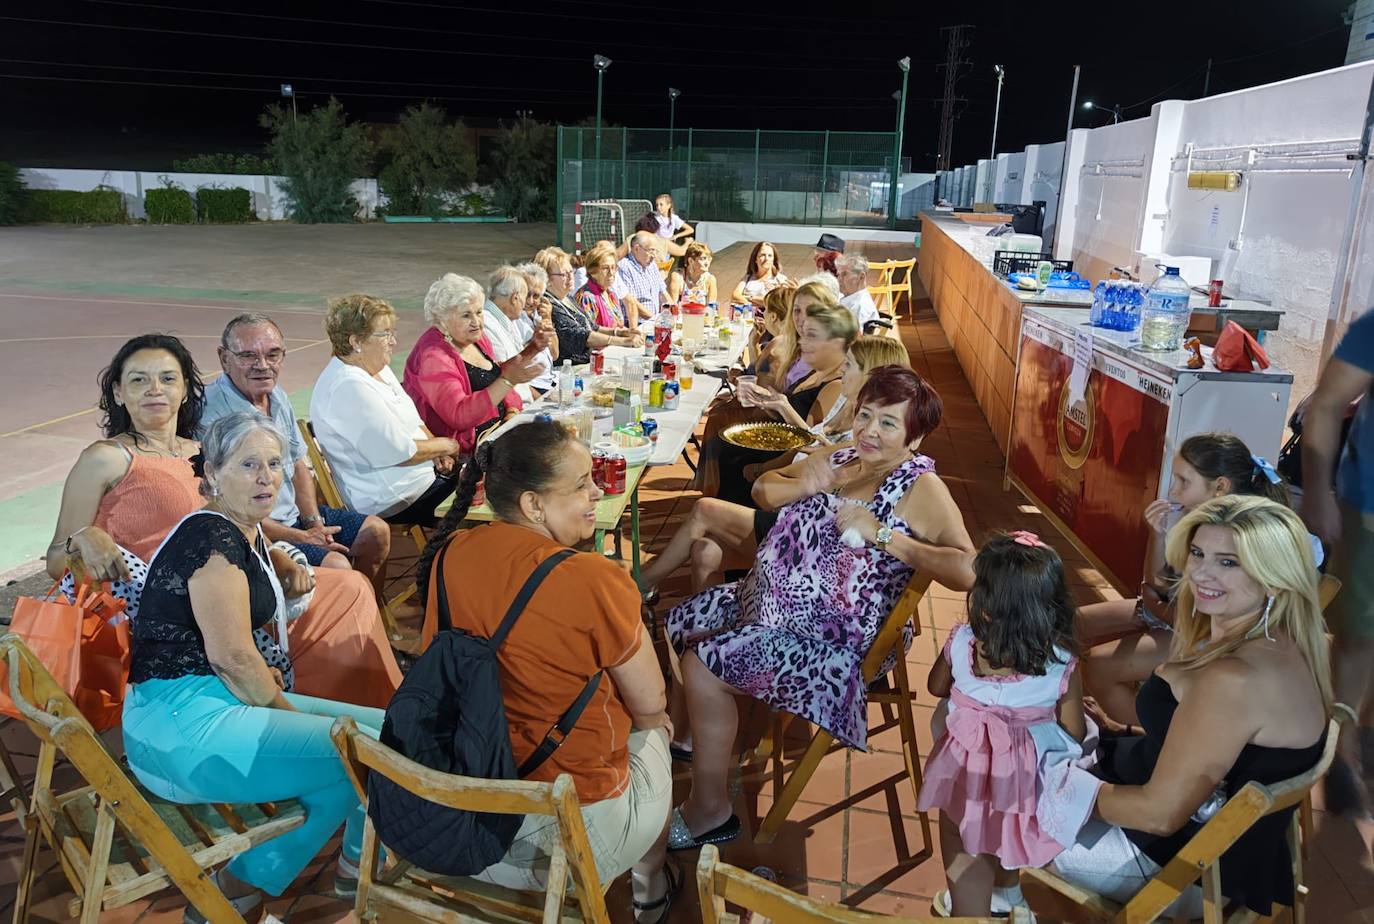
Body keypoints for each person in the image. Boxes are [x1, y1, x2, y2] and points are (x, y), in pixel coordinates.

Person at [664, 367, 975, 849]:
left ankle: (711, 810)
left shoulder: (921, 488)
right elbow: (762, 489)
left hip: (836, 643)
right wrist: (802, 483)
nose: (870, 429)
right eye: (865, 414)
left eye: (888, 423)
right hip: (772, 604)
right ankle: (693, 739)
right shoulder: (846, 457)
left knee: (701, 667)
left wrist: (886, 535)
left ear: (915, 436)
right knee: (685, 619)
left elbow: (969, 569)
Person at [121, 413, 386, 920]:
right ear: (214, 474)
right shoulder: (212, 542)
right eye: (249, 464)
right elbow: (234, 657)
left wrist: (283, 560)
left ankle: (332, 872)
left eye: (274, 463)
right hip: (180, 728)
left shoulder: (238, 529)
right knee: (362, 748)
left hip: (209, 701)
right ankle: (267, 884)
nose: (267, 476)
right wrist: (290, 714)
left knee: (380, 732)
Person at [414, 420, 678, 922]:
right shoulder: (595, 578)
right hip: (567, 841)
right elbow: (651, 704)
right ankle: (650, 885)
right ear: (534, 504)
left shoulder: (452, 552)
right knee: (660, 732)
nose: (596, 491)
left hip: (461, 816)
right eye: (581, 484)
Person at [48, 334, 401, 709]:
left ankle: (365, 711)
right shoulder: (107, 458)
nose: (155, 389)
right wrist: (84, 539)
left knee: (349, 586)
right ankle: (320, 722)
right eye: (139, 380)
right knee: (339, 595)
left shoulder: (203, 452)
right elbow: (57, 560)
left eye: (168, 378)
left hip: (228, 581)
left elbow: (236, 528)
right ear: (118, 392)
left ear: (186, 390)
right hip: (168, 609)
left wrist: (276, 557)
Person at [1056, 495, 1331, 918]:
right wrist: (1121, 730)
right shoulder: (1287, 642)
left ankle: (984, 906)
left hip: (1168, 863)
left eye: (1229, 562)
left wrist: (1057, 792)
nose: (1200, 572)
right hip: (1209, 844)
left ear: (1275, 577)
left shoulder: (1234, 679)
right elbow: (1220, 751)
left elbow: (1159, 814)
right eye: (1199, 553)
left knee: (982, 808)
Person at [638, 339, 912, 603]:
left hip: (810, 534)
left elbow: (837, 474)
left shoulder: (872, 438)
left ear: (871, 375)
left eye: (849, 365)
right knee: (704, 551)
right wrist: (783, 409)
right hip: (793, 507)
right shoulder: (841, 399)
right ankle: (708, 630)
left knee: (705, 509)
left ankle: (641, 583)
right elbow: (811, 446)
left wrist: (800, 470)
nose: (840, 369)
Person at [1080, 433, 1302, 725]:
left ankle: (1143, 732)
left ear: (1220, 487)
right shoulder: (1203, 523)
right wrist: (1156, 536)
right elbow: (1159, 582)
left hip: (1204, 633)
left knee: (1099, 665)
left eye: (1183, 481)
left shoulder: (1236, 535)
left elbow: (1194, 614)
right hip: (1176, 612)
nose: (1173, 492)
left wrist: (1155, 602)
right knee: (1073, 622)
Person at [919, 531, 1087, 917]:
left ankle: (969, 909)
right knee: (1009, 828)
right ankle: (1008, 894)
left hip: (963, 768)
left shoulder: (962, 642)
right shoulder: (1062, 661)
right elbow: (1074, 732)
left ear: (985, 605)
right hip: (1025, 778)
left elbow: (934, 686)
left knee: (958, 831)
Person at [201, 313, 392, 588]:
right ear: (224, 358)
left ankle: (368, 612)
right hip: (254, 530)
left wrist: (312, 523)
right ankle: (331, 624)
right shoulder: (213, 415)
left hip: (294, 518)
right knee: (338, 568)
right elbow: (228, 507)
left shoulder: (277, 396)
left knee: (376, 532)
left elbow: (299, 465)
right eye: (248, 356)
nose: (262, 365)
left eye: (273, 354)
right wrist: (300, 537)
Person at [1299, 309, 1374, 813]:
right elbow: (1325, 405)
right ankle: (1340, 751)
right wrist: (1319, 492)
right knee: (1359, 633)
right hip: (1369, 509)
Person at [310, 294, 461, 527]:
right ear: (356, 341)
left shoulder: (376, 367)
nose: (393, 342)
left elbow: (414, 421)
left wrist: (438, 452)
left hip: (422, 479)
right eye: (385, 334)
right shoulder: (348, 386)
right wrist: (447, 445)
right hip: (395, 497)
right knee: (489, 491)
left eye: (393, 332)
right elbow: (400, 452)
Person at [711, 298, 857, 506]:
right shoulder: (818, 372)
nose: (801, 342)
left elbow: (809, 442)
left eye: (811, 337)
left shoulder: (837, 385)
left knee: (733, 456)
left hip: (795, 469)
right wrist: (776, 404)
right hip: (788, 450)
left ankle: (731, 524)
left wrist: (765, 468)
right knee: (726, 445)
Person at [403, 274, 545, 457]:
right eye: (466, 315)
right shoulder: (433, 357)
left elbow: (494, 374)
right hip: (471, 452)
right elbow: (458, 416)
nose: (476, 322)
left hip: (500, 431)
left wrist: (512, 409)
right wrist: (508, 381)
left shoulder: (475, 338)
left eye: (479, 312)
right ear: (442, 320)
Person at [535, 246, 641, 366]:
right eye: (564, 274)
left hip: (587, 362)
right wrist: (624, 341)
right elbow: (580, 336)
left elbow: (591, 326)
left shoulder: (566, 297)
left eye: (571, 271)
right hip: (569, 369)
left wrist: (620, 333)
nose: (570, 277)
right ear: (547, 278)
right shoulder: (548, 303)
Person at [482, 266, 557, 397]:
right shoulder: (487, 324)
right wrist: (542, 402)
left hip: (527, 397)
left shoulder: (504, 321)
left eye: (536, 296)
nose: (527, 303)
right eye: (526, 296)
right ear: (515, 298)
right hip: (517, 406)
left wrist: (535, 346)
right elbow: (504, 376)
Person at [576, 240, 633, 329]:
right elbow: (589, 333)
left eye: (614, 267)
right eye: (605, 268)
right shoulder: (587, 298)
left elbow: (619, 326)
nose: (611, 273)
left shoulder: (611, 294)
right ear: (592, 271)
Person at [616, 231, 670, 326]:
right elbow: (632, 303)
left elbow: (663, 293)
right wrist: (656, 320)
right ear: (637, 249)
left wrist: (672, 312)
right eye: (651, 250)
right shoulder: (624, 266)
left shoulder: (652, 265)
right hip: (637, 324)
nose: (654, 255)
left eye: (655, 251)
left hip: (655, 321)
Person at [731, 241, 788, 308]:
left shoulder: (780, 280)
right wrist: (751, 306)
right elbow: (735, 295)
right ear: (755, 259)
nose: (766, 259)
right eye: (762, 255)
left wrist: (750, 298)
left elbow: (775, 302)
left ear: (773, 259)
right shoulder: (748, 278)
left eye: (770, 256)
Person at [836, 252, 881, 330]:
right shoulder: (851, 298)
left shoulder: (860, 307)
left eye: (844, 274)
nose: (839, 279)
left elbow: (853, 340)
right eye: (838, 275)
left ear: (861, 277)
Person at [667, 241, 717, 307]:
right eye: (703, 259)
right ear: (690, 261)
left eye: (709, 259)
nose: (707, 263)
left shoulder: (710, 279)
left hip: (701, 316)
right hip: (681, 316)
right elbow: (672, 307)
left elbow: (712, 308)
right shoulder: (677, 277)